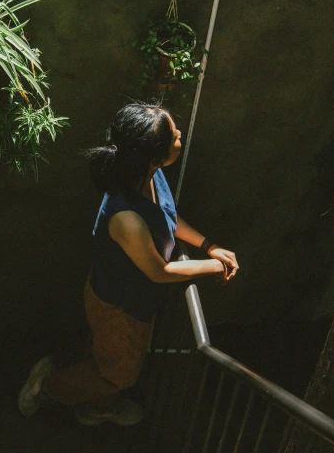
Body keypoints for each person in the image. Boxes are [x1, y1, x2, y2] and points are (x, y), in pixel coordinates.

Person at [18, 102, 239, 426]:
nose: (180, 136)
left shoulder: (148, 174)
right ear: (154, 156)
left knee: (109, 362)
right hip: (119, 308)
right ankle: (48, 387)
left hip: (127, 299)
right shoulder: (126, 217)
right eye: (175, 135)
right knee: (120, 375)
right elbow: (158, 271)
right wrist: (215, 267)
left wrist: (209, 245)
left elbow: (167, 216)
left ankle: (98, 406)